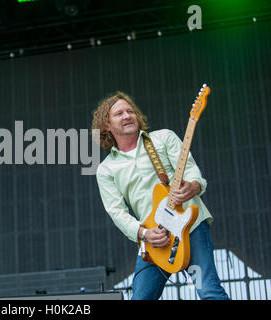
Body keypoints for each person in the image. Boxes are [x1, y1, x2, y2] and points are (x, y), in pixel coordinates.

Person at [92, 91, 229, 300]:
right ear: (107, 126)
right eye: (119, 114)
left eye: (130, 111)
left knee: (209, 291)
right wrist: (144, 234)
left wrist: (193, 186)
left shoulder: (163, 138)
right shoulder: (106, 169)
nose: (127, 115)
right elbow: (117, 213)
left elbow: (191, 170)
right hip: (154, 239)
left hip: (190, 228)